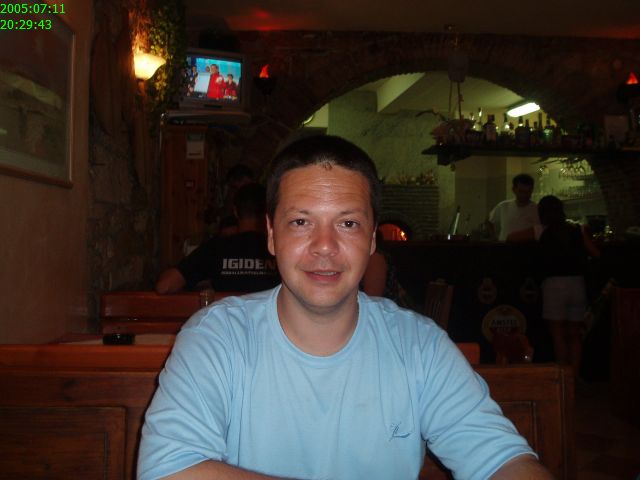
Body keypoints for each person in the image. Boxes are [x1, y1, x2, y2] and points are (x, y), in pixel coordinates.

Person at [139, 135, 552, 479]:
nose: (325, 246)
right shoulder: (216, 337)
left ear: (372, 239)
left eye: (348, 223)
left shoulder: (419, 346)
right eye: (301, 222)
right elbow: (167, 470)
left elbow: (504, 461)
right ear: (271, 235)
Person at [507, 195, 600, 377]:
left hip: (554, 285)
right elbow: (596, 253)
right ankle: (574, 378)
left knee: (558, 335)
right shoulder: (577, 230)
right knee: (574, 335)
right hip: (578, 284)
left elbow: (511, 237)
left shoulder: (540, 230)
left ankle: (563, 378)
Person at [155, 183, 279, 294]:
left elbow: (165, 285)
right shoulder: (279, 249)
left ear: (235, 212)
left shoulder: (217, 247)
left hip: (227, 313)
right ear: (269, 214)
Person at [488, 173, 540, 241]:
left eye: (528, 191)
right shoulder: (503, 206)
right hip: (504, 246)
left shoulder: (537, 209)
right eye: (521, 191)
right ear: (514, 190)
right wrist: (494, 238)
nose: (524, 195)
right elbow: (490, 221)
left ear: (532, 190)